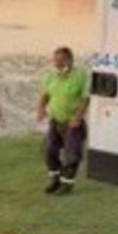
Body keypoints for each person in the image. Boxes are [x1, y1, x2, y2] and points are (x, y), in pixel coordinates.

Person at [37, 46, 90, 195]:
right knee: (49, 150)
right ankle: (55, 178)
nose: (57, 64)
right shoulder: (50, 76)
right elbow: (45, 95)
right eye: (55, 60)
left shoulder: (81, 75)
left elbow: (85, 98)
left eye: (61, 60)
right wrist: (41, 109)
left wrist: (78, 117)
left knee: (71, 154)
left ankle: (67, 184)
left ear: (70, 60)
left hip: (72, 122)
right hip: (55, 120)